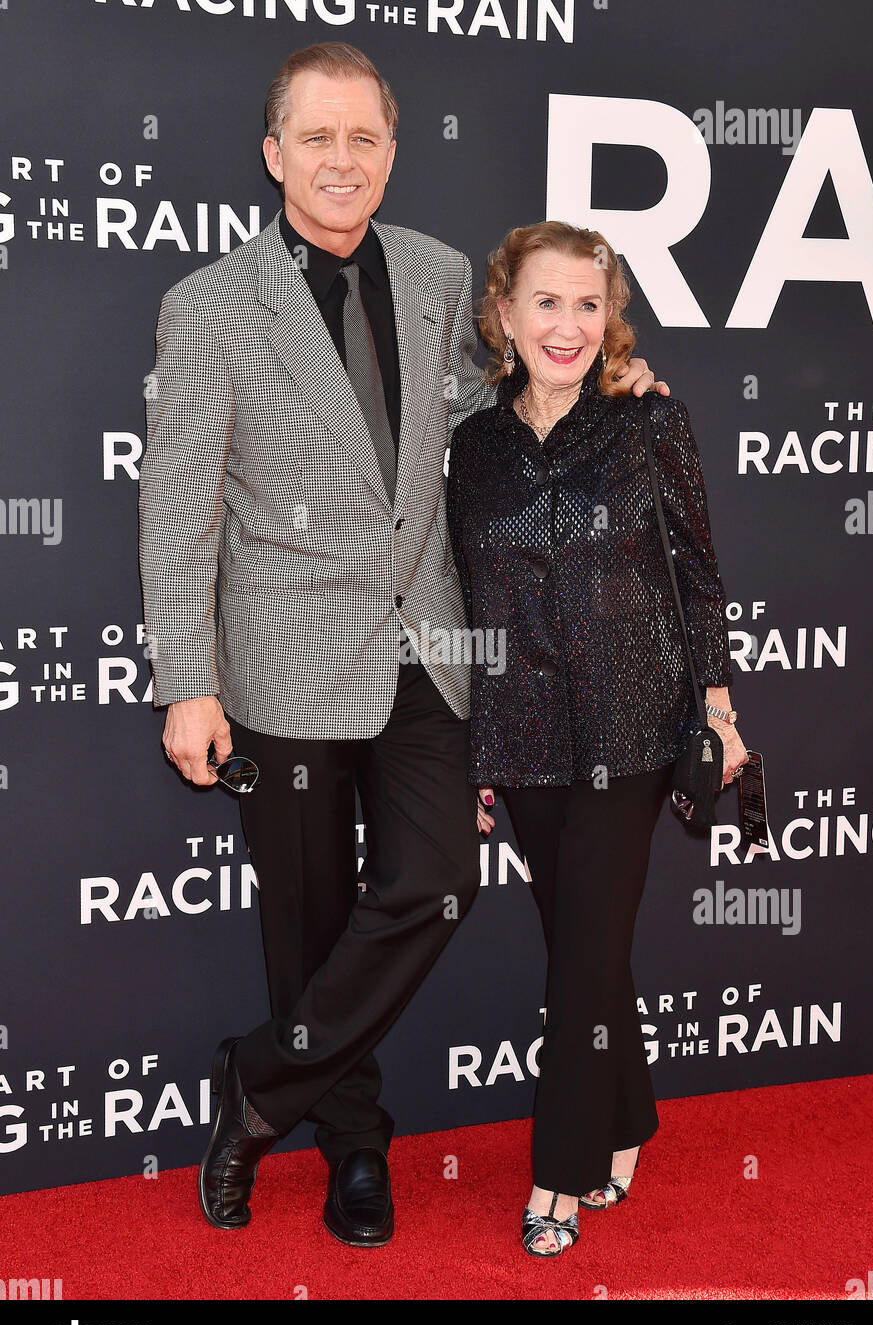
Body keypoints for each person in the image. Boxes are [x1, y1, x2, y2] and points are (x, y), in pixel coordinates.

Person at [138, 44, 667, 1248]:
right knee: (312, 924)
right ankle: (356, 1146)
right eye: (315, 139)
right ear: (275, 155)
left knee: (433, 883)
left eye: (362, 139)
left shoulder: (434, 274)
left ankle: (258, 1085)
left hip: (428, 651)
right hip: (284, 662)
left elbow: (500, 402)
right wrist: (188, 682)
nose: (341, 160)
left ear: (391, 151)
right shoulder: (211, 307)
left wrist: (611, 375)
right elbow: (175, 513)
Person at [446, 220, 748, 1256]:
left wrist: (717, 709)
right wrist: (474, 744)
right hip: (524, 734)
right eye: (546, 302)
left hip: (632, 721)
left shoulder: (648, 423)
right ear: (504, 315)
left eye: (588, 303)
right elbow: (462, 593)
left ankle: (563, 1173)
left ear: (609, 317)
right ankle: (629, 1116)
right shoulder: (471, 446)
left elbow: (699, 575)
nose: (567, 324)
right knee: (587, 946)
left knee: (579, 960)